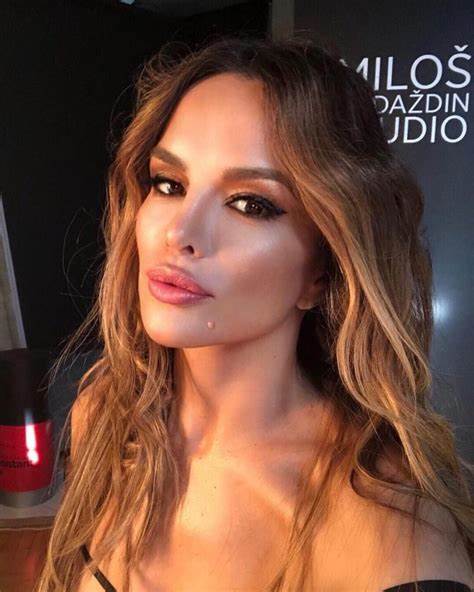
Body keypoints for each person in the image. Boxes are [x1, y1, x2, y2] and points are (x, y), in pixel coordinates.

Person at [35, 35, 473, 592]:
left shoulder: (393, 542)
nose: (180, 232)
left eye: (251, 204)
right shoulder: (106, 418)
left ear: (322, 270)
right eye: (169, 184)